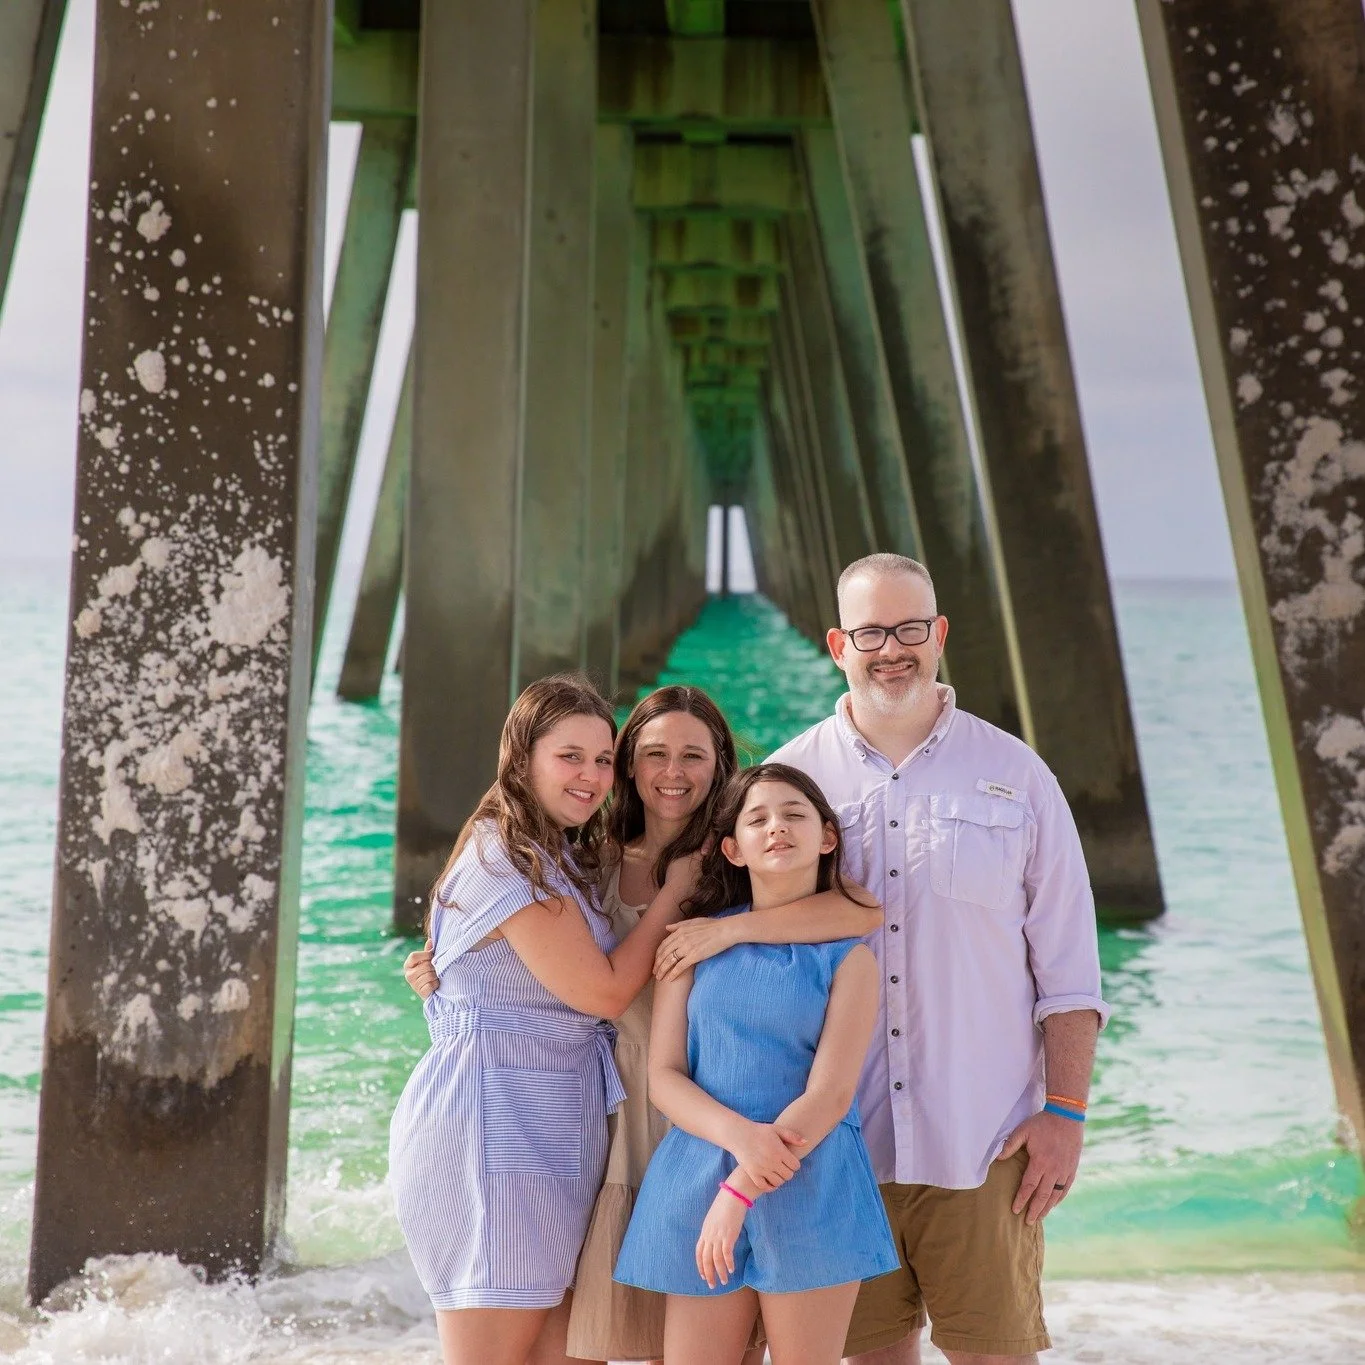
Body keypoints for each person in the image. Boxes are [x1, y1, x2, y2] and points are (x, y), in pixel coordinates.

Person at [660, 553, 1111, 1365]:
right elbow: (714, 907)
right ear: (838, 643)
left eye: (909, 628)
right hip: (838, 1154)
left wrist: (1066, 1115)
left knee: (998, 1355)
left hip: (984, 1144)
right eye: (870, 631)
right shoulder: (797, 777)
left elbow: (1069, 974)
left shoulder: (1016, 775)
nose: (890, 648)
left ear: (938, 634)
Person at [402, 683, 883, 1365]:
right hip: (600, 1117)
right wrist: (442, 967)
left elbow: (858, 913)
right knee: (579, 1336)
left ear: (720, 763)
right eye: (652, 753)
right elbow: (522, 945)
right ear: (629, 764)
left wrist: (731, 928)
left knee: (711, 1336)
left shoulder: (733, 862)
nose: (672, 771)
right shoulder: (583, 858)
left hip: (703, 1114)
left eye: (693, 754)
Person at [388, 675, 698, 1365]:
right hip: (492, 1134)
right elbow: (607, 991)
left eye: (601, 759)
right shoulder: (508, 859)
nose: (590, 775)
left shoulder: (555, 852)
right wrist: (675, 893)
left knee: (560, 1352)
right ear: (521, 756)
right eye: (569, 756)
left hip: (548, 1125)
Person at [614, 763, 899, 1365]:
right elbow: (663, 1076)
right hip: (699, 1171)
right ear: (732, 848)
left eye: (795, 815)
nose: (777, 828)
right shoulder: (691, 944)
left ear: (826, 837)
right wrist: (739, 1143)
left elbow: (830, 1095)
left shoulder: (850, 961)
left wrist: (741, 1187)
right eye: (757, 819)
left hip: (811, 1174)